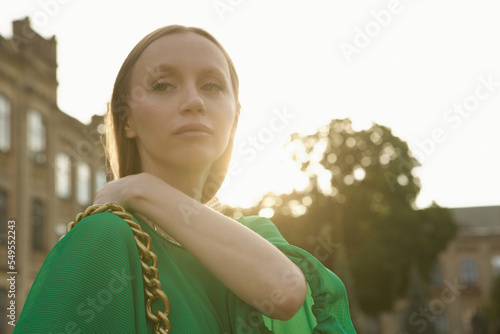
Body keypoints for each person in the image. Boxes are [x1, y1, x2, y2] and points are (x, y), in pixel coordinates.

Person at [13, 25, 356, 333]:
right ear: (126, 119)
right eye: (163, 85)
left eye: (212, 86)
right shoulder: (106, 235)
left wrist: (142, 188)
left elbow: (286, 291)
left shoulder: (257, 237)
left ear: (234, 119)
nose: (194, 101)